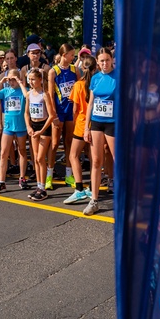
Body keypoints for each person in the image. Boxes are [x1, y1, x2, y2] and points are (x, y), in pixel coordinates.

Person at [83, 47, 117, 216]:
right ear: (97, 61)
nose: (104, 63)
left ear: (112, 60)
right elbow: (90, 104)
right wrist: (86, 127)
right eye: (101, 60)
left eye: (107, 60)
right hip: (97, 123)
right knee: (96, 161)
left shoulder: (118, 77)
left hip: (113, 123)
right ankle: (94, 200)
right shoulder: (95, 78)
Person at [64, 55, 96, 205]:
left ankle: (79, 189)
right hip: (95, 124)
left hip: (81, 123)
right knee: (93, 157)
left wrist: (75, 123)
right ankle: (91, 186)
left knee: (73, 155)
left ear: (83, 68)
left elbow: (75, 108)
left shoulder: (78, 85)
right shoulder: (97, 84)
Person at [48, 44, 79, 190]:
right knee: (54, 144)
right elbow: (50, 94)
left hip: (71, 111)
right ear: (64, 55)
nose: (73, 57)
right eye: (72, 55)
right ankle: (48, 175)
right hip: (59, 111)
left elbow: (79, 89)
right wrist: (53, 114)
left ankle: (69, 174)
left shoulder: (75, 70)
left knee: (69, 142)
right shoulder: (53, 71)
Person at [25, 68, 56, 202]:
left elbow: (51, 115)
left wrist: (42, 131)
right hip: (34, 127)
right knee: (36, 159)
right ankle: (39, 186)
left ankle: (43, 188)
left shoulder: (45, 94)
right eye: (29, 79)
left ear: (39, 80)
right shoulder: (29, 94)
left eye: (33, 79)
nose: (31, 82)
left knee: (40, 158)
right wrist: (28, 126)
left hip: (44, 128)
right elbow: (26, 113)